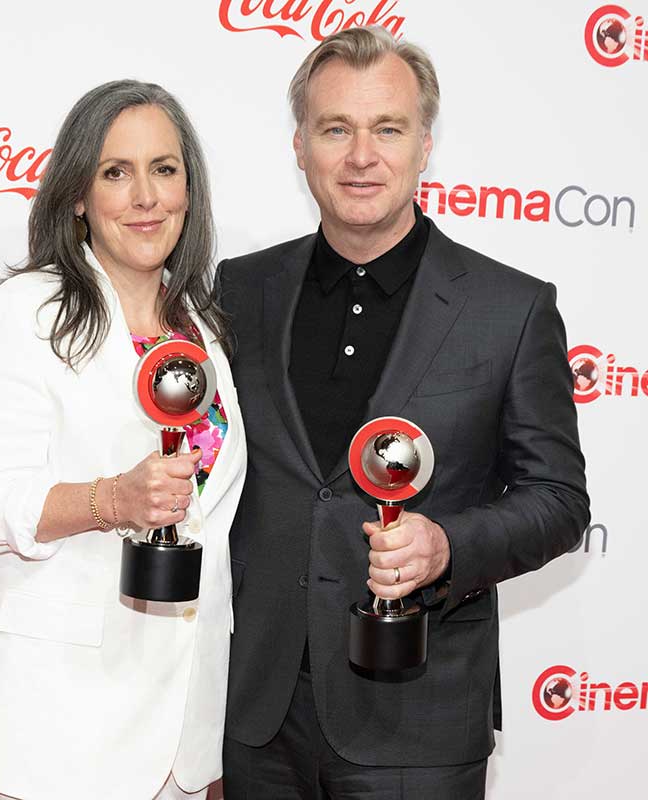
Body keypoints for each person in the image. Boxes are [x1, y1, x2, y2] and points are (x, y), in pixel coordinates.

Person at [218, 26, 589, 800]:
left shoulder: (510, 309)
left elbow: (559, 502)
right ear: (299, 146)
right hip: (257, 716)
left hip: (417, 722)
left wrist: (447, 545)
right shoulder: (240, 290)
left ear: (425, 145)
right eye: (335, 129)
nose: (362, 156)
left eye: (388, 128)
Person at [0, 80, 246, 800]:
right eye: (117, 172)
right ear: (78, 194)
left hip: (183, 736)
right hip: (54, 732)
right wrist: (113, 498)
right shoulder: (23, 314)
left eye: (164, 170)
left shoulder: (202, 326)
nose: (145, 196)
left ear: (188, 189)